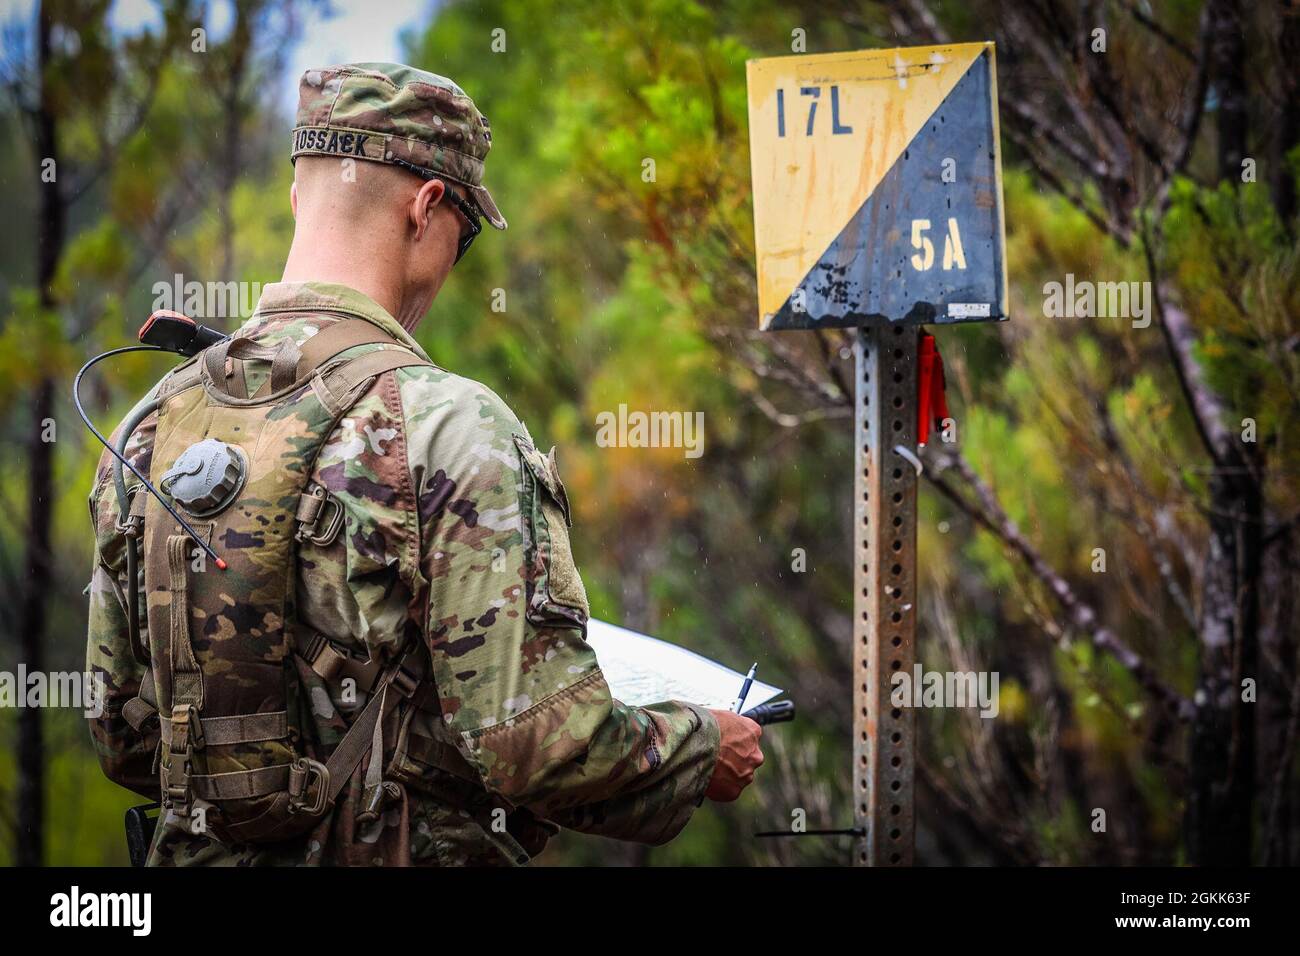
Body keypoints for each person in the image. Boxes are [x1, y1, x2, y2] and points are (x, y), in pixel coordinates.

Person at [85, 62, 763, 866]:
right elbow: (538, 744)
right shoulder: (448, 423)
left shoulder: (151, 423)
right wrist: (697, 746)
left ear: (299, 198)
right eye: (466, 234)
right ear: (428, 207)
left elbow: (123, 736)